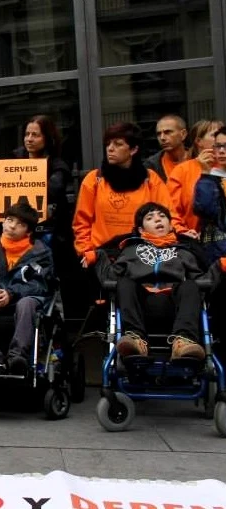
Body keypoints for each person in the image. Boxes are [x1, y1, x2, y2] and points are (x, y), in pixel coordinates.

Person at [103, 203, 207, 361]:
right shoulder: (130, 250)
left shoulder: (184, 251)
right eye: (150, 218)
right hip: (140, 305)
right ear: (141, 230)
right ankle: (136, 340)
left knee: (191, 285)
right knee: (125, 283)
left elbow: (203, 281)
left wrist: (220, 267)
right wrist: (98, 258)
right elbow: (110, 278)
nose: (158, 220)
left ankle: (183, 342)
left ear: (171, 225)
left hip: (174, 306)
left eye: (163, 216)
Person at [74, 122, 182, 270]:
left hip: (143, 257)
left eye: (118, 144)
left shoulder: (150, 180)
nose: (110, 148)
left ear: (133, 149)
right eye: (108, 144)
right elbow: (81, 223)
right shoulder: (94, 179)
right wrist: (87, 252)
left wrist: (177, 236)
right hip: (103, 257)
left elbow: (169, 216)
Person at [0, 203, 54, 375]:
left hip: (25, 301)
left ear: (28, 231)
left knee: (26, 303)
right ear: (3, 222)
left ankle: (17, 356)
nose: (12, 226)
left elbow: (40, 285)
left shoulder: (41, 253)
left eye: (20, 224)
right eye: (9, 220)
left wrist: (12, 293)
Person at [12, 115, 72, 246]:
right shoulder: (14, 161)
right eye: (27, 134)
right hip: (19, 230)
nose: (29, 139)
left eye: (35, 135)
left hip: (50, 231)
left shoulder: (58, 165)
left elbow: (54, 190)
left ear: (47, 138)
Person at [167, 119, 224, 234]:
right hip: (195, 240)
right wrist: (183, 232)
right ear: (199, 141)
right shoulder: (182, 171)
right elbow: (170, 210)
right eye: (215, 135)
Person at [193, 126, 226, 262]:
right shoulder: (209, 178)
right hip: (218, 252)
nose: (222, 151)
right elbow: (204, 210)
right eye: (218, 146)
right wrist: (205, 174)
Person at [145, 115, 189, 182]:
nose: (162, 138)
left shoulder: (198, 159)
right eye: (159, 134)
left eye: (168, 132)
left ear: (183, 134)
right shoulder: (151, 166)